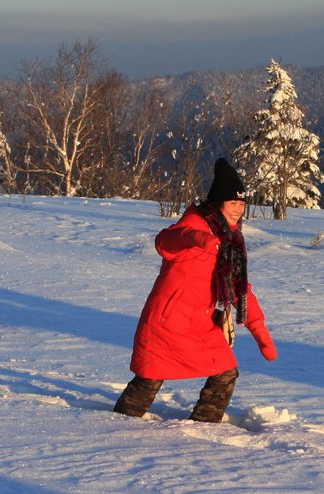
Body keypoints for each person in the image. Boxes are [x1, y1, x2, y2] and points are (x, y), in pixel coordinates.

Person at [114, 158, 277, 423]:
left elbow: (238, 287)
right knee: (148, 381)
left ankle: (205, 427)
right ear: (218, 203)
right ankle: (114, 427)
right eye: (232, 203)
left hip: (199, 324)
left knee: (225, 372)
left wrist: (259, 328)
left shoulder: (231, 240)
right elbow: (165, 242)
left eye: (241, 204)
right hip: (166, 322)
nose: (238, 210)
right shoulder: (193, 224)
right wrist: (192, 238)